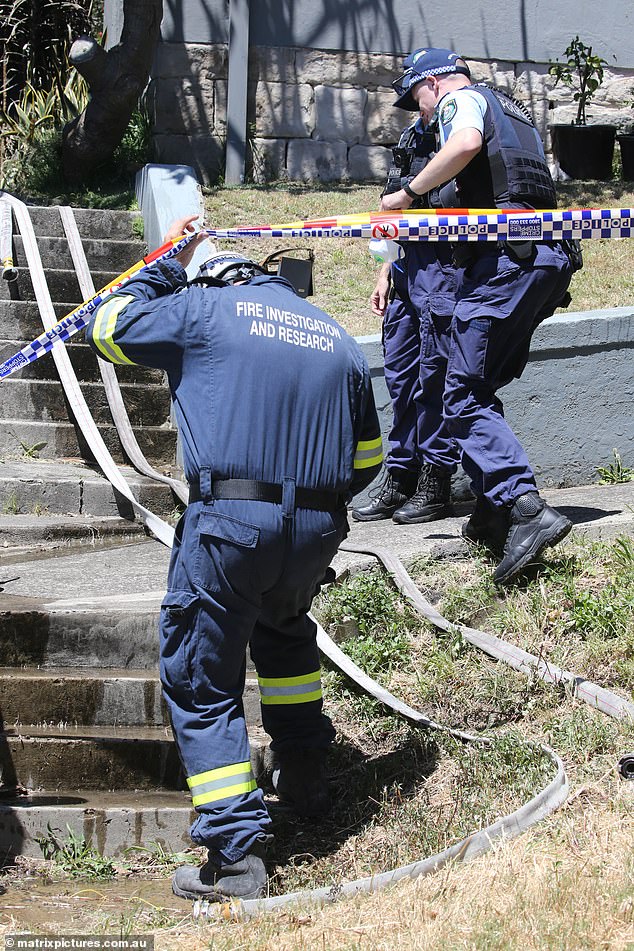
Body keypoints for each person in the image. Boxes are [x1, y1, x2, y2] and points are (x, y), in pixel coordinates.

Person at [86, 217, 383, 902]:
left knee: (200, 678)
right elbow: (367, 460)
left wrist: (167, 260)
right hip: (314, 529)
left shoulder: (202, 308)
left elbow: (107, 326)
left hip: (229, 524)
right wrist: (307, 514)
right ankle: (306, 778)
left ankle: (236, 855)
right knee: (283, 636)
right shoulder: (333, 334)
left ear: (211, 276)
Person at [381, 47, 575, 582]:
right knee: (478, 386)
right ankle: (493, 510)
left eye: (414, 96)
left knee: (460, 394)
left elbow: (464, 143)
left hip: (505, 262)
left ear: (435, 82)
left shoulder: (459, 100)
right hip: (544, 259)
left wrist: (408, 193)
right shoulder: (513, 110)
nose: (416, 111)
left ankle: (525, 508)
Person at [352, 105, 461, 525]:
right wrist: (385, 273)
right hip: (404, 275)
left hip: (443, 273)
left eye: (418, 93)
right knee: (401, 380)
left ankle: (436, 484)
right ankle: (400, 478)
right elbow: (394, 217)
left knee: (434, 380)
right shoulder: (413, 137)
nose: (415, 106)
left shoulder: (459, 140)